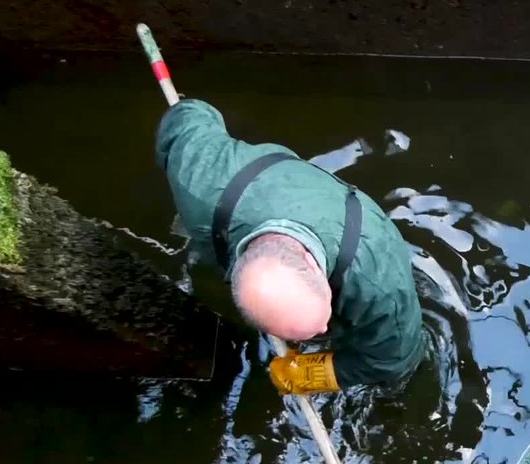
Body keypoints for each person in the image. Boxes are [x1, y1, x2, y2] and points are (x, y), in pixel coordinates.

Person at [155, 98, 426, 395]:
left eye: (320, 322)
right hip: (244, 205)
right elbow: (186, 116)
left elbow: (396, 360)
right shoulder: (201, 184)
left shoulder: (378, 279)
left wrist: (317, 373)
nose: (323, 331)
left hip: (347, 231)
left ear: (312, 264)